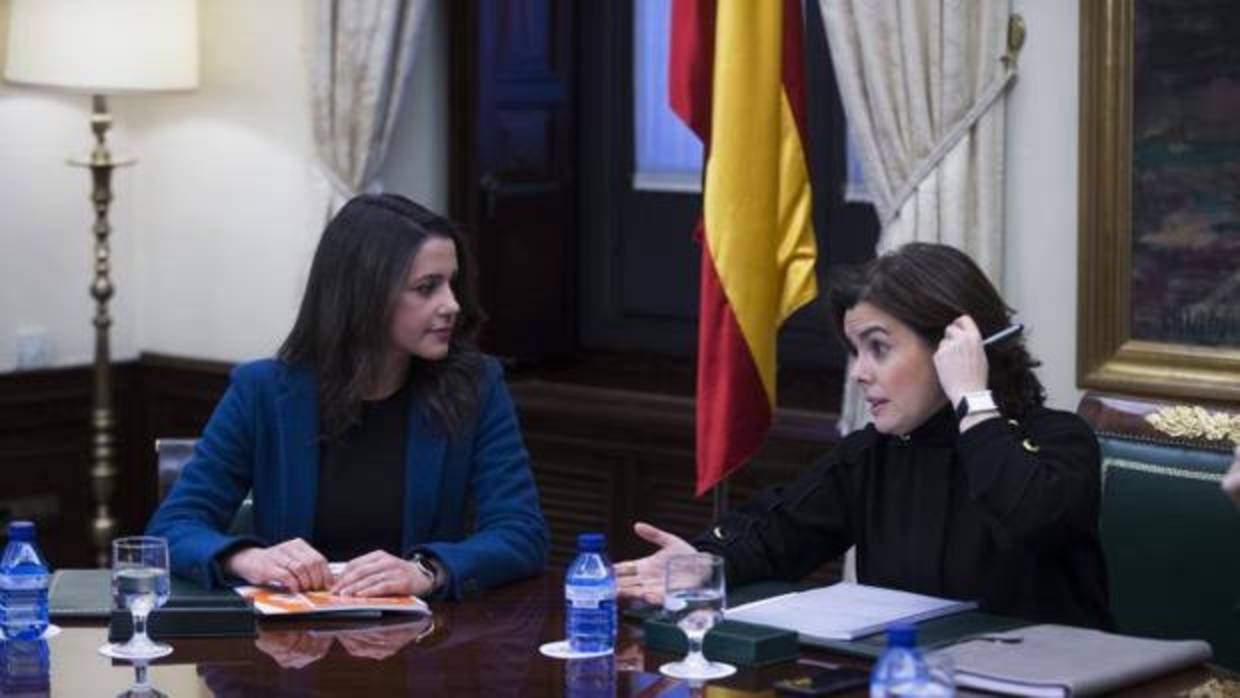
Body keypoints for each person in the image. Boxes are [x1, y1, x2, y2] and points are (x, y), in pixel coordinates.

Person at [616, 242, 1113, 629]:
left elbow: (1029, 518)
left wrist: (971, 398)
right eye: (856, 351)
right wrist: (705, 562)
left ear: (953, 348)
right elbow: (777, 533)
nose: (859, 373)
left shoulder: (1061, 442)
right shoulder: (873, 455)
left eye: (878, 349)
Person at [147, 193, 548, 600]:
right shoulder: (262, 391)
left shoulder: (476, 386)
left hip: (422, 643)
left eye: (452, 284)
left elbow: (521, 533)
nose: (452, 305)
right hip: (290, 645)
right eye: (427, 288)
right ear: (363, 294)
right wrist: (250, 559)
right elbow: (173, 527)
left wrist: (426, 571)